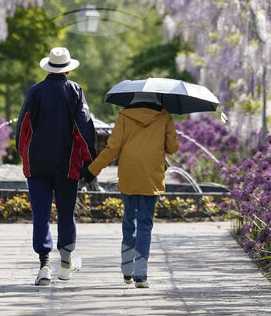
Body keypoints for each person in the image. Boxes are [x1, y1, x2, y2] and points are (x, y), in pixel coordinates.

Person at [15, 47, 98, 286]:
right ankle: (65, 264)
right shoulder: (75, 91)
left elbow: (23, 130)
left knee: (40, 212)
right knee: (65, 211)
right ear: (68, 68)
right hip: (67, 164)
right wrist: (88, 163)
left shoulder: (35, 92)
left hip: (37, 165)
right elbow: (85, 130)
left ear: (48, 67)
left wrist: (26, 158)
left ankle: (43, 266)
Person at [80, 93, 178, 288]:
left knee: (129, 221)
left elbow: (112, 148)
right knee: (145, 224)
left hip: (129, 173)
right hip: (152, 173)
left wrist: (92, 170)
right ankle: (141, 275)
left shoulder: (125, 115)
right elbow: (173, 147)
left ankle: (127, 271)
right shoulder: (164, 116)